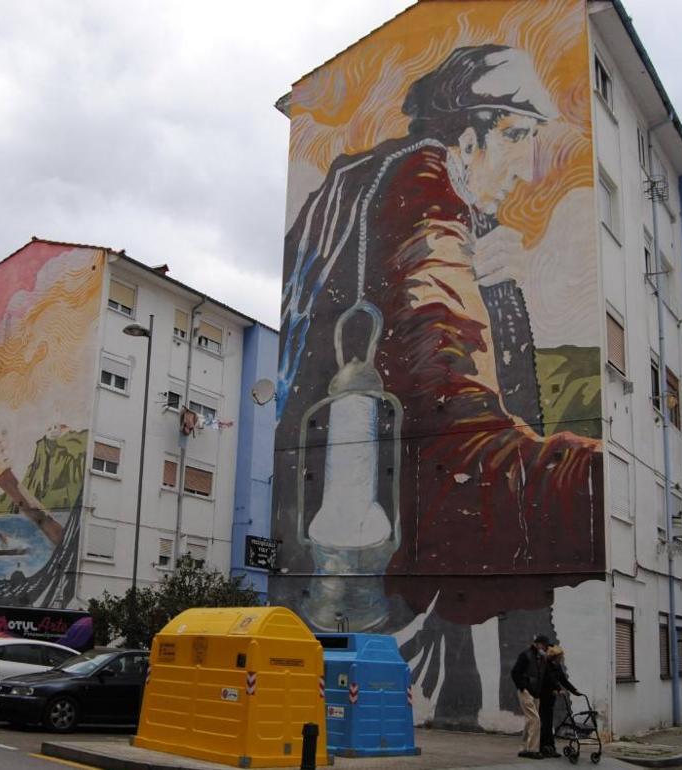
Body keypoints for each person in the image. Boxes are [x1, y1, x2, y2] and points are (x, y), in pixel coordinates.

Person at [277, 42, 603, 725]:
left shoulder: (375, 186)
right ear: (471, 132)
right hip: (392, 540)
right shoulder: (422, 198)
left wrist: (497, 284)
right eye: (519, 138)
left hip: (380, 536)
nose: (527, 169)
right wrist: (604, 490)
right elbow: (459, 431)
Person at [511, 634, 551, 758]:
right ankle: (532, 750)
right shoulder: (526, 655)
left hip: (535, 693)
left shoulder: (542, 658)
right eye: (544, 646)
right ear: (537, 644)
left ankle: (524, 748)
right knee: (535, 719)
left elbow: (545, 676)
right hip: (526, 692)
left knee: (530, 721)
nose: (545, 649)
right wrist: (523, 688)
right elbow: (515, 673)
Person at [539, 644, 582, 758]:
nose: (562, 658)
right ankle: (545, 747)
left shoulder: (557, 666)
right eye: (561, 656)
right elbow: (550, 679)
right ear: (555, 656)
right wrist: (558, 689)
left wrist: (574, 690)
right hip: (543, 697)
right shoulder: (546, 665)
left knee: (548, 723)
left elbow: (563, 680)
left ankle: (549, 747)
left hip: (551, 698)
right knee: (546, 724)